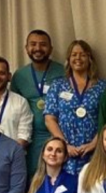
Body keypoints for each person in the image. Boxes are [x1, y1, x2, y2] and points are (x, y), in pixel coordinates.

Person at [45, 40, 106, 175]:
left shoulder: (104, 87)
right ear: (68, 59)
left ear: (90, 59)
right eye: (74, 55)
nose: (78, 58)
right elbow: (50, 119)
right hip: (66, 153)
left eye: (83, 55)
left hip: (95, 151)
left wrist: (94, 144)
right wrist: (64, 145)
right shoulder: (57, 86)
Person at [10, 29, 66, 178]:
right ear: (26, 48)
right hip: (32, 140)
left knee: (59, 180)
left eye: (43, 45)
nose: (38, 49)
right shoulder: (20, 75)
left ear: (51, 48)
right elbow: (14, 107)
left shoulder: (64, 71)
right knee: (33, 181)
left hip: (61, 135)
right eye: (33, 44)